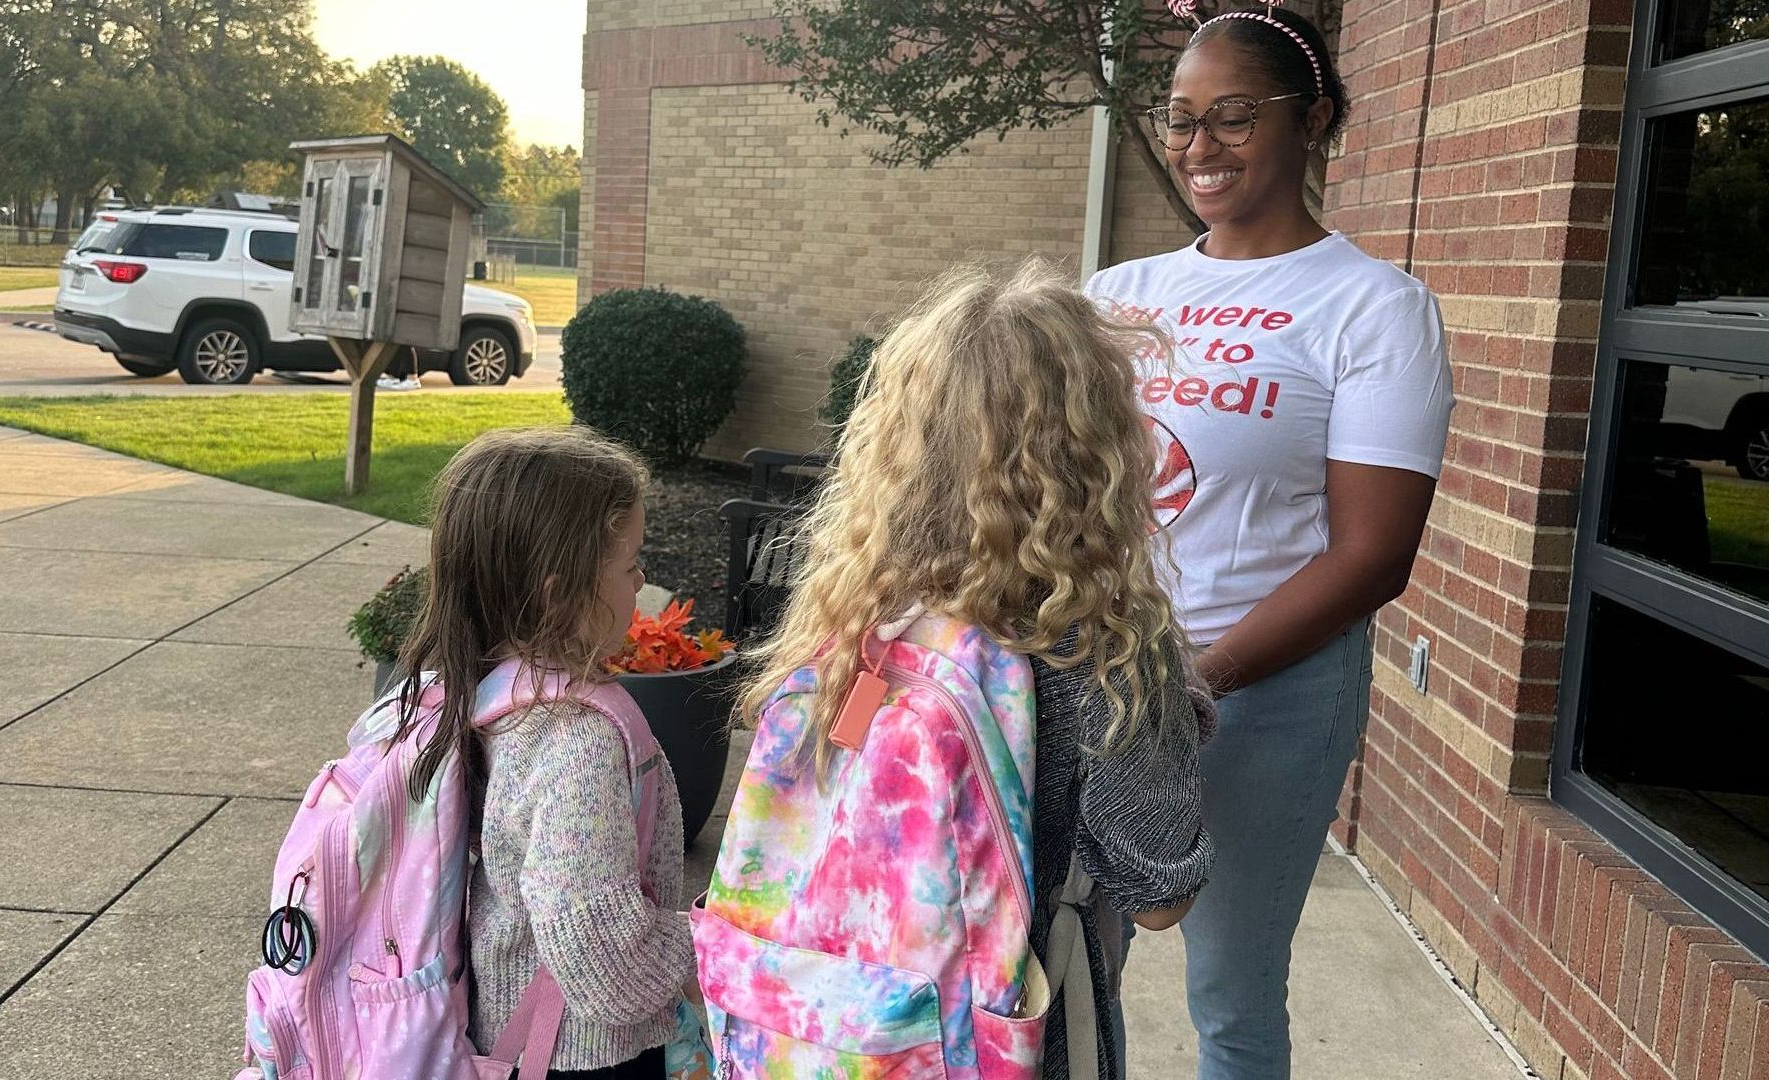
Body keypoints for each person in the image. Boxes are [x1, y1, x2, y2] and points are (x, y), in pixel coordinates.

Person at [1086, 6, 1455, 1079]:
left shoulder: (1372, 309)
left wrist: (1198, 681)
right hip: (1102, 676)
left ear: (1317, 122)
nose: (1201, 146)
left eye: (1235, 118)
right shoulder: (1117, 296)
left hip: (1267, 688)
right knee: (1055, 955)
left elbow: (1374, 556)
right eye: (1182, 119)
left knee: (1230, 993)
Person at [733, 260, 1214, 1079]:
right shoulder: (1106, 651)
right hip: (1017, 1036)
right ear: (1102, 450)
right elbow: (1159, 896)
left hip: (835, 1023)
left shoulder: (861, 611)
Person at [387, 428, 693, 1079]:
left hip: (518, 1028)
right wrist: (707, 949)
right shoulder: (576, 741)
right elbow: (594, 946)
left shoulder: (489, 690)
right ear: (560, 595)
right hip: (578, 1049)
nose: (642, 582)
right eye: (630, 564)